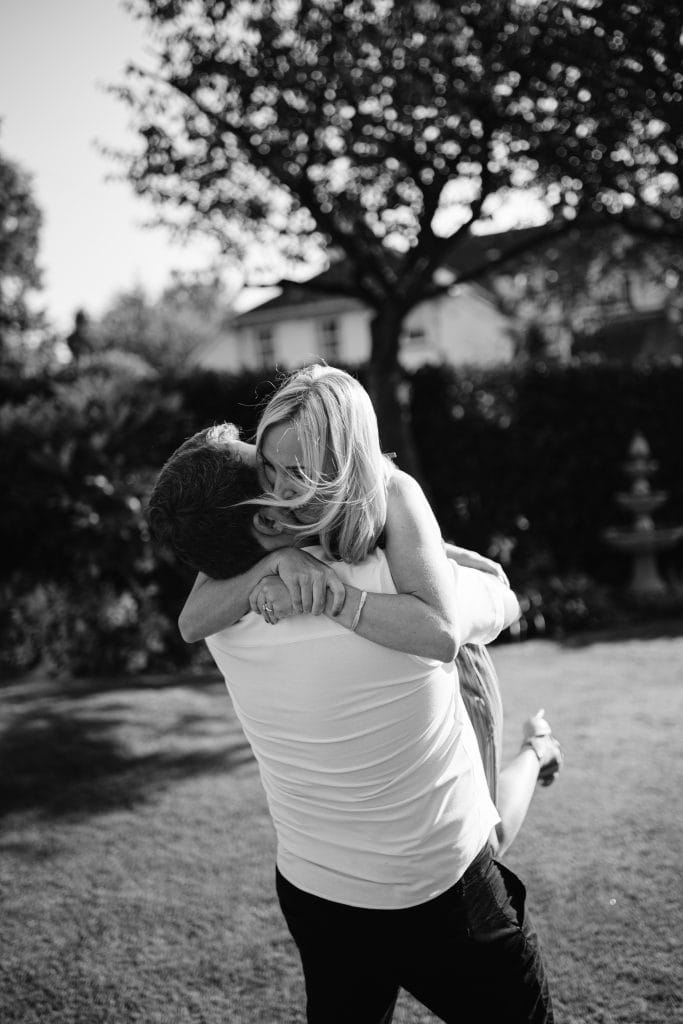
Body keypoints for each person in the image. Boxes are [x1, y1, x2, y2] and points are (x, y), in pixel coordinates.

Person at [148, 422, 557, 1023]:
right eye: (274, 471)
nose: (296, 473)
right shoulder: (385, 586)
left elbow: (197, 604)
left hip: (317, 897)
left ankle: (536, 750)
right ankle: (539, 749)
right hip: (442, 896)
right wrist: (406, 514)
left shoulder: (223, 619)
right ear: (267, 517)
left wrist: (285, 555)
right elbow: (501, 595)